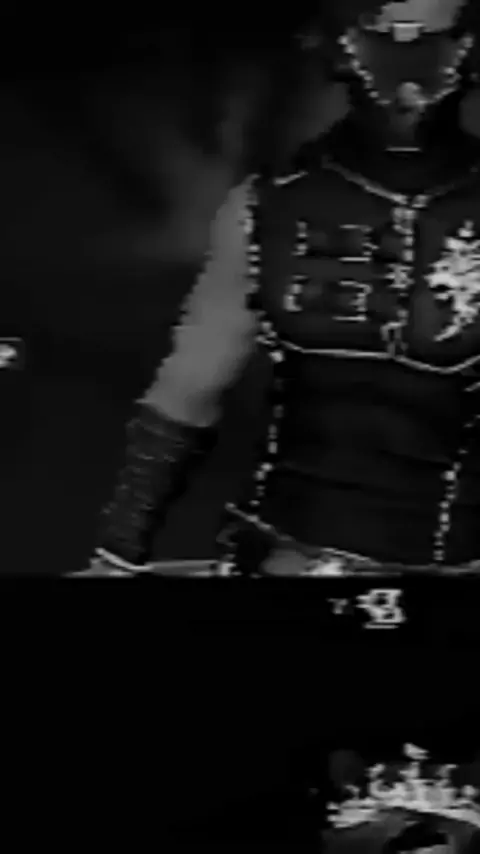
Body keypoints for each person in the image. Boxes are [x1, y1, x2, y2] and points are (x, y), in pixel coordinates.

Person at [87, 0, 480, 577]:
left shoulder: (270, 203)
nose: (408, 78)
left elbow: (189, 390)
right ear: (341, 46)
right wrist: (117, 553)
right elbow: (189, 389)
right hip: (288, 552)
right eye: (388, 37)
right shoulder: (268, 206)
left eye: (430, 38)